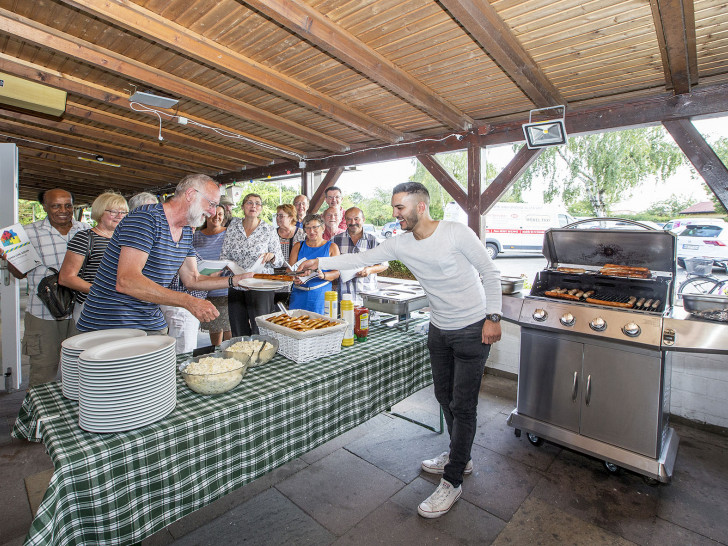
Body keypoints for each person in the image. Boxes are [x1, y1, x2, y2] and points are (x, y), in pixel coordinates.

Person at [298, 182, 502, 519]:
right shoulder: (402, 243)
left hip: (471, 329)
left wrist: (493, 317)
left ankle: (452, 480)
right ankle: (459, 456)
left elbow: (490, 273)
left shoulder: (455, 233)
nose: (394, 214)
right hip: (439, 329)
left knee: (462, 405)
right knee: (443, 396)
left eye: (399, 207)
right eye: (394, 208)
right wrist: (315, 261)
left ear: (420, 207)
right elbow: (361, 257)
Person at [76, 174, 252, 333]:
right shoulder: (146, 218)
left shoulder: (184, 233)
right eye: (211, 204)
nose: (213, 212)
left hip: (149, 320)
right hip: (111, 323)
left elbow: (193, 279)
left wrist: (235, 280)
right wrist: (189, 301)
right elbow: (127, 281)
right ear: (190, 194)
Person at [0, 189, 88, 386]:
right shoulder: (24, 233)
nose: (63, 210)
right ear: (45, 207)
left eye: (68, 205)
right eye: (56, 205)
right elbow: (19, 274)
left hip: (80, 313)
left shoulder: (85, 229)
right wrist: (10, 258)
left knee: (81, 371)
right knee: (43, 371)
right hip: (43, 314)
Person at [58, 191, 129, 325]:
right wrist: (102, 292)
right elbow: (66, 278)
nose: (120, 216)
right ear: (100, 212)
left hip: (122, 307)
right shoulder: (85, 238)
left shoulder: (127, 239)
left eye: (123, 212)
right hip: (93, 305)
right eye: (113, 211)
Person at [221, 193, 285, 336]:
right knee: (238, 329)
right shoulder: (232, 228)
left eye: (257, 203)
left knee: (261, 330)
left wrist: (272, 256)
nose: (253, 206)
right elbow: (224, 256)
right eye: (249, 202)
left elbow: (280, 260)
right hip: (237, 284)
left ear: (261, 209)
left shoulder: (268, 230)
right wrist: (229, 265)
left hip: (261, 285)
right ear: (243, 206)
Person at [331, 207, 388, 305]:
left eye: (356, 219)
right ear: (345, 221)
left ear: (363, 219)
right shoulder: (335, 241)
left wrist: (369, 270)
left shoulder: (373, 241)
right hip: (342, 296)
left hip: (366, 294)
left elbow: (384, 265)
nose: (353, 222)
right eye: (349, 219)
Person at [192, 205, 232, 346]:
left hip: (226, 287)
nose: (217, 217)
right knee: (214, 328)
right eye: (214, 213)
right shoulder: (196, 236)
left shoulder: (230, 234)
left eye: (220, 214)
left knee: (229, 329)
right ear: (206, 215)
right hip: (205, 290)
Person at [288, 214, 340, 314]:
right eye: (307, 228)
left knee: (320, 326)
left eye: (315, 227)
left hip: (320, 296)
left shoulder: (332, 247)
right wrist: (294, 277)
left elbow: (336, 273)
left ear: (323, 228)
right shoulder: (298, 246)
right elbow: (289, 270)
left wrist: (323, 275)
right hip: (298, 294)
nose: (311, 231)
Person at [273, 203, 305, 306]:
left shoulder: (302, 234)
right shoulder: (272, 234)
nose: (278, 218)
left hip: (295, 279)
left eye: (281, 216)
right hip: (274, 280)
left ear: (291, 217)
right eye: (277, 215)